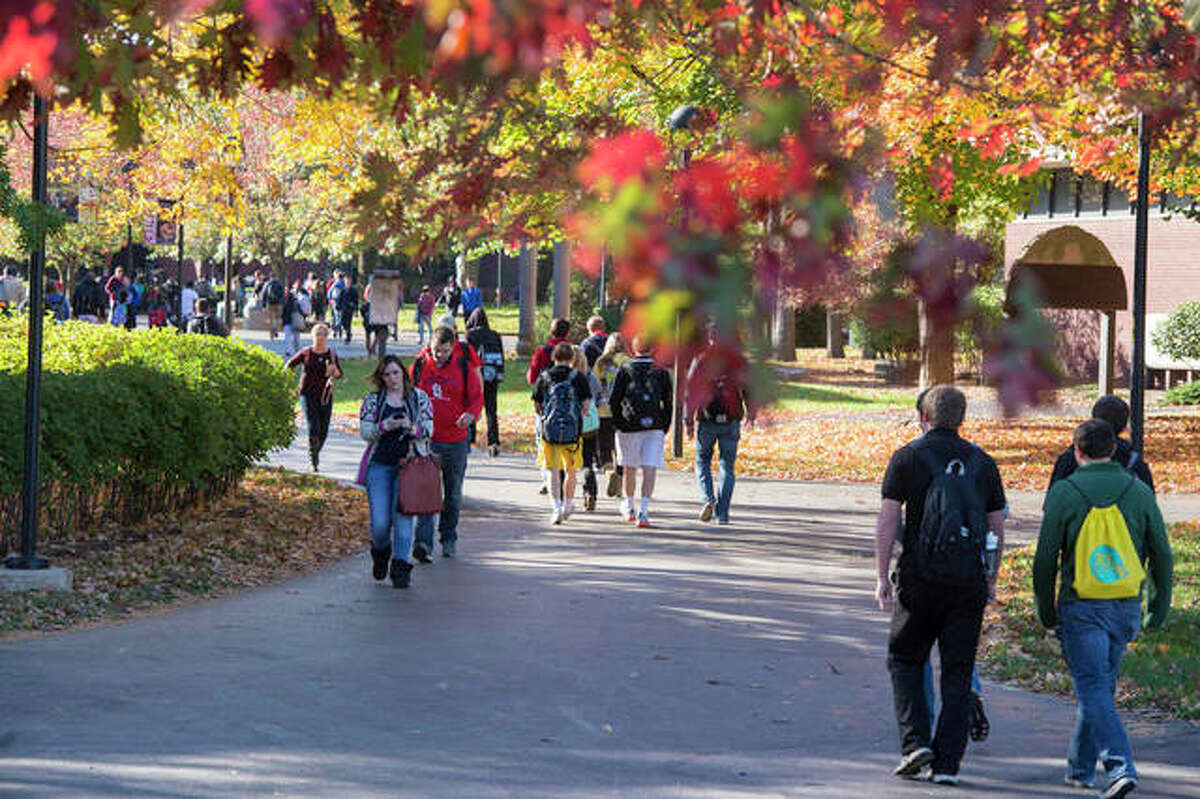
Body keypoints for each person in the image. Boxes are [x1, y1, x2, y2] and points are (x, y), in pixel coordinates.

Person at [873, 385, 1006, 786]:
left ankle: (914, 744)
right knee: (958, 670)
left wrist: (882, 576)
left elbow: (887, 521)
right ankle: (948, 763)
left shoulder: (907, 458)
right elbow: (996, 525)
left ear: (924, 418)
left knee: (906, 658)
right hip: (968, 581)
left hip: (919, 577)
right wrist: (992, 576)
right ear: (962, 419)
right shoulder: (983, 462)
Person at [1034, 419, 1173, 799]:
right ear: (1114, 449)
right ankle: (1080, 768)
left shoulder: (1065, 492)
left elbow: (1045, 559)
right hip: (1126, 605)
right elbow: (1161, 552)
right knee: (1100, 685)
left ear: (1077, 452)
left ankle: (1119, 767)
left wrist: (1046, 611)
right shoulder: (1139, 491)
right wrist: (1157, 609)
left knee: (1093, 685)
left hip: (1082, 606)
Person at [359, 355, 435, 589]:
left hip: (409, 467)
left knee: (403, 522)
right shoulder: (373, 400)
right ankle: (381, 553)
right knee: (380, 524)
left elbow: (430, 428)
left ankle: (401, 568)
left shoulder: (419, 398)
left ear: (403, 373)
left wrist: (411, 427)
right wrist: (386, 426)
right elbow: (365, 430)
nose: (392, 379)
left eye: (396, 373)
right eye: (387, 374)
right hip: (380, 466)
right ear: (381, 378)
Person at [410, 325, 483, 560]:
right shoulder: (421, 365)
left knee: (452, 494)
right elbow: (407, 392)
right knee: (427, 493)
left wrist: (470, 415)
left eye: (443, 351)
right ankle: (423, 543)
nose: (438, 355)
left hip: (455, 441)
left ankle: (448, 536)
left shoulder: (463, 368)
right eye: (435, 350)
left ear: (452, 348)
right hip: (427, 440)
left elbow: (477, 397)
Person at [685, 324, 756, 524]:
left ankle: (708, 499)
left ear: (709, 338)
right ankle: (722, 513)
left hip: (707, 418)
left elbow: (691, 391)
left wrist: (688, 420)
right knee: (727, 467)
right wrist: (751, 412)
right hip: (731, 418)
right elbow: (749, 387)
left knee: (702, 461)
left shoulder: (701, 359)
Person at [608, 335, 673, 528]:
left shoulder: (626, 369)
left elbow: (614, 400)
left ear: (633, 349)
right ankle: (644, 512)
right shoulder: (661, 371)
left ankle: (629, 506)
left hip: (629, 425)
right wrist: (664, 425)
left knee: (629, 467)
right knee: (649, 468)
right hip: (654, 425)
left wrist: (619, 423)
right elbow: (668, 402)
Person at [532, 342, 592, 524]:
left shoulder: (544, 377)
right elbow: (586, 407)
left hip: (550, 433)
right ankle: (568, 503)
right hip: (573, 433)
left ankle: (556, 506)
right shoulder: (579, 378)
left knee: (552, 470)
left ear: (554, 357)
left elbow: (537, 405)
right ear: (572, 358)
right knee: (571, 470)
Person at [1049, 395, 1154, 492]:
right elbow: (1149, 499)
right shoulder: (1132, 460)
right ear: (1124, 425)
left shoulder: (1069, 457)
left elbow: (1052, 499)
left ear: (1093, 418)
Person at [285, 324, 343, 471]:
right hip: (307, 394)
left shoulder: (331, 354)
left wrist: (334, 371)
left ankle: (316, 450)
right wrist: (289, 384)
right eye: (318, 334)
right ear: (312, 336)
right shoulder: (306, 353)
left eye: (323, 334)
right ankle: (313, 457)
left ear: (327, 337)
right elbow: (289, 366)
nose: (320, 337)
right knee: (314, 426)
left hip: (325, 395)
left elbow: (339, 374)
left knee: (323, 430)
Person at [593, 332, 628, 499]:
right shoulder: (628, 362)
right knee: (621, 449)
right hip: (623, 411)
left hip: (603, 410)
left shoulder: (601, 363)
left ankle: (608, 472)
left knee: (605, 447)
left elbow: (594, 386)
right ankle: (620, 484)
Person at [466, 307, 504, 457]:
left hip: (476, 375)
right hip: (492, 376)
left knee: (472, 404)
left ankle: (471, 436)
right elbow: (501, 355)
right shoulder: (495, 335)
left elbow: (469, 355)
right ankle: (493, 441)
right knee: (491, 409)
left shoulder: (471, 335)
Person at [572, 345, 604, 511]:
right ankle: (590, 492)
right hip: (589, 423)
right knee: (587, 461)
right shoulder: (591, 377)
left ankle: (565, 495)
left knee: (567, 462)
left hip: (570, 422)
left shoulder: (567, 377)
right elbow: (599, 397)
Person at [260, 272, 285, 339]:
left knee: (271, 319)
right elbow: (283, 294)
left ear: (270, 277)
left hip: (269, 304)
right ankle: (276, 329)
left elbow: (264, 295)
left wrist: (263, 305)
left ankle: (271, 334)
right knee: (277, 319)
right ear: (276, 276)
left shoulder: (267, 284)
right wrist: (282, 303)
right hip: (278, 304)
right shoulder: (280, 284)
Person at [338, 273, 360, 344]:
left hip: (350, 308)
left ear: (351, 281)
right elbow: (339, 299)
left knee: (348, 322)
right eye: (346, 280)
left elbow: (356, 300)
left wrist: (356, 309)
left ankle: (348, 336)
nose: (347, 281)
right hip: (343, 308)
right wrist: (338, 307)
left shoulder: (353, 290)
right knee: (342, 321)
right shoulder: (343, 290)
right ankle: (347, 331)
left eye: (348, 280)